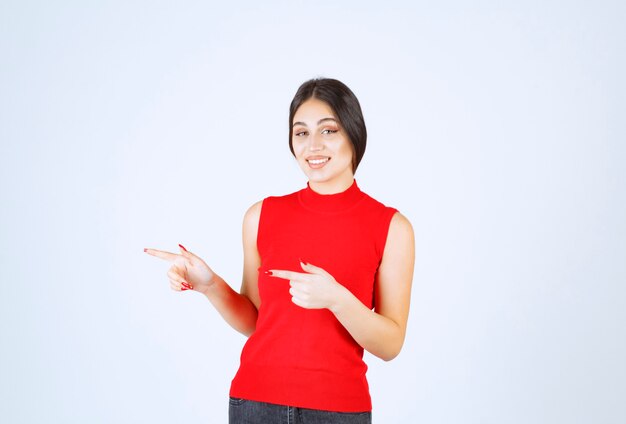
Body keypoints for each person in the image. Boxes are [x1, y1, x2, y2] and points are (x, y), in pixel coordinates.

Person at [144, 77, 415, 424]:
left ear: (353, 133)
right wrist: (210, 285)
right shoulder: (261, 216)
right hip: (254, 403)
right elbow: (257, 321)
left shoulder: (392, 227)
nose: (313, 145)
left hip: (337, 411)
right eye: (301, 133)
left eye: (328, 130)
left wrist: (338, 299)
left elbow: (391, 344)